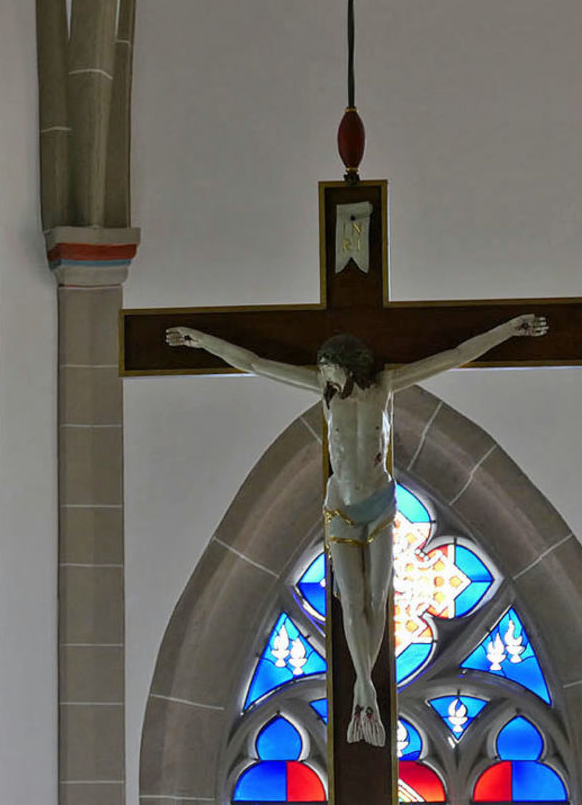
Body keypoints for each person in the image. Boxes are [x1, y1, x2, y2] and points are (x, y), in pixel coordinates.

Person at [164, 313, 548, 747]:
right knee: (349, 601)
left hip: (380, 505)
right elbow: (254, 363)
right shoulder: (327, 396)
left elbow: (454, 357)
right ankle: (363, 687)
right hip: (341, 507)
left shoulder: (384, 387)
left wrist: (508, 330)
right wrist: (200, 340)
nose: (323, 372)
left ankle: (366, 688)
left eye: (329, 365)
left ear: (346, 364)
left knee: (375, 597)